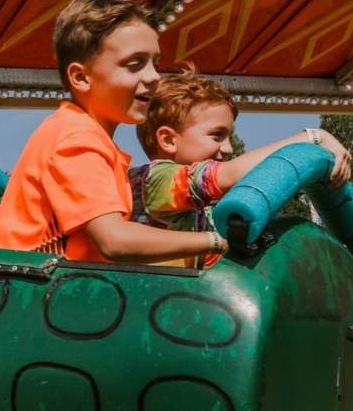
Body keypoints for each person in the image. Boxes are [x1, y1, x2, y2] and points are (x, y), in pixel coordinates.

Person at [0, 0, 227, 265]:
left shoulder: (88, 137)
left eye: (155, 64)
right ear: (81, 77)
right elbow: (115, 240)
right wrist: (216, 242)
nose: (154, 77)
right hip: (27, 295)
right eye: (135, 64)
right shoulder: (75, 137)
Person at [131, 69, 351, 265]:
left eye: (229, 137)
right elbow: (228, 176)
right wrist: (314, 137)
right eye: (217, 136)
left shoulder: (201, 202)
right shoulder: (155, 178)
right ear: (168, 140)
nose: (227, 148)